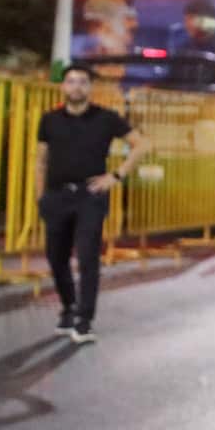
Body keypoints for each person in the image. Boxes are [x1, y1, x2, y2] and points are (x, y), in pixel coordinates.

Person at [35, 65, 147, 344]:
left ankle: (85, 321)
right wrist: (41, 197)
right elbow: (40, 161)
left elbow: (141, 144)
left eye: (82, 82)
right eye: (71, 81)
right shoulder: (49, 120)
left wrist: (115, 176)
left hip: (90, 196)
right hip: (57, 196)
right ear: (63, 87)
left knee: (87, 258)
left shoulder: (105, 118)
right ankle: (69, 307)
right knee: (56, 258)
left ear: (89, 88)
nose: (76, 87)